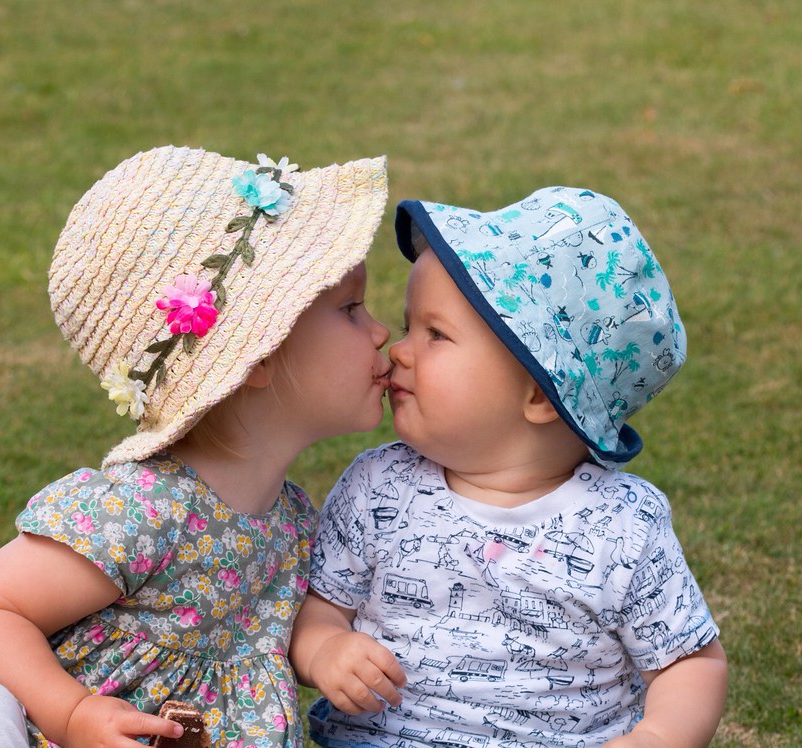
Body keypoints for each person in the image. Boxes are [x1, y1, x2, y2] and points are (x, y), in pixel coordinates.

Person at [0, 146, 394, 748]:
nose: (381, 331)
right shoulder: (144, 508)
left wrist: (323, 652)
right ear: (257, 355)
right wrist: (72, 713)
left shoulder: (292, 522)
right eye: (350, 308)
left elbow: (272, 629)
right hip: (25, 717)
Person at [289, 187, 728, 748]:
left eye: (435, 334)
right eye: (407, 328)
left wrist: (660, 735)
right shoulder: (376, 487)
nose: (399, 351)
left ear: (541, 394)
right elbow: (318, 609)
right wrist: (325, 648)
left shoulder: (624, 527)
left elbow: (689, 662)